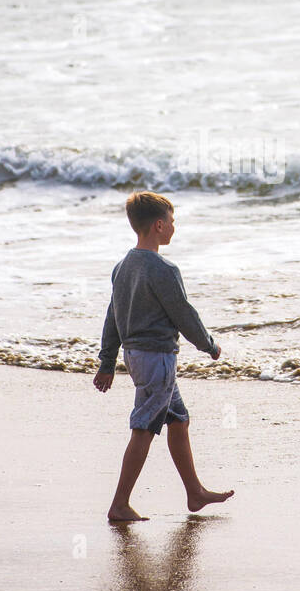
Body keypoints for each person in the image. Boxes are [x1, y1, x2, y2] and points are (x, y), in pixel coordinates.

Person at [94, 190, 234, 522]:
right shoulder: (163, 269)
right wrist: (208, 344)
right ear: (159, 225)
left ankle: (194, 492)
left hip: (136, 356)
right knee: (143, 427)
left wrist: (107, 361)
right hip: (157, 359)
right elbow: (183, 313)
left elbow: (112, 317)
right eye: (172, 221)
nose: (174, 227)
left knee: (178, 420)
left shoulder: (122, 267)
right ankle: (119, 504)